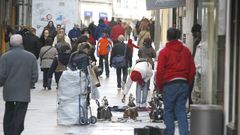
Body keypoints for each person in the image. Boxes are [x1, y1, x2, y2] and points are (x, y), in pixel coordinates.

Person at [155, 28, 196, 135]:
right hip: (183, 83)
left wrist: (160, 87)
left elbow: (159, 72)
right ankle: (184, 133)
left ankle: (170, 133)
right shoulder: (186, 51)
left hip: (169, 85)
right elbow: (192, 69)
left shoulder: (164, 52)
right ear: (178, 37)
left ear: (167, 37)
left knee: (168, 110)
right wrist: (189, 84)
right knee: (180, 110)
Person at [0, 34, 38, 135]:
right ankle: (17, 132)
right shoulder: (31, 57)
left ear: (10, 43)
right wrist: (29, 84)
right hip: (23, 91)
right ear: (22, 43)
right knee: (20, 114)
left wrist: (2, 83)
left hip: (9, 90)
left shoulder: (5, 57)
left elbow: (2, 75)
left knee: (9, 112)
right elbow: (35, 76)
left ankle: (8, 132)